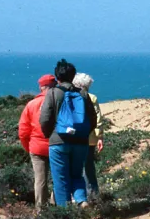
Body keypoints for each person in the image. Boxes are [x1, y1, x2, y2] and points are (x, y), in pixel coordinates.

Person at [38, 59, 97, 206]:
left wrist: (49, 135)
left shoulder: (53, 93)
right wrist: (83, 133)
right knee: (77, 174)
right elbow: (92, 118)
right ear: (73, 76)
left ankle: (65, 212)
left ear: (57, 77)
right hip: (81, 142)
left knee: (60, 178)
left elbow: (45, 118)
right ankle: (81, 200)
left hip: (59, 142)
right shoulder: (83, 94)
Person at [17, 73, 57, 209]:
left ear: (41, 87)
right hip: (57, 145)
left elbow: (23, 131)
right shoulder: (60, 101)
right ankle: (56, 205)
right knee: (59, 177)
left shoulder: (31, 104)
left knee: (40, 180)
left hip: (37, 147)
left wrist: (28, 147)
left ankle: (41, 210)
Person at [72, 72, 102, 200]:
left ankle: (76, 196)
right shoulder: (92, 98)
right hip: (90, 139)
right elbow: (98, 120)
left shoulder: (70, 97)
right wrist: (100, 137)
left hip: (73, 138)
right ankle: (93, 194)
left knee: (74, 167)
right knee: (88, 167)